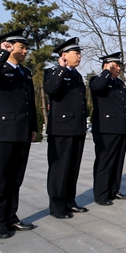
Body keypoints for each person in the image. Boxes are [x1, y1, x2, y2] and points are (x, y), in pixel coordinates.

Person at [0, 29, 37, 239]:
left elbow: (29, 103)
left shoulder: (25, 72)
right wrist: (2, 53)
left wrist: (33, 127)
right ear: (8, 46)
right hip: (2, 133)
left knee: (15, 179)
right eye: (21, 47)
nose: (25, 51)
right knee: (0, 179)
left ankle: (11, 216)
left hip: (22, 132)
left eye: (25, 47)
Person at [44, 37, 88, 219]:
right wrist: (61, 68)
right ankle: (56, 206)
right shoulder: (53, 72)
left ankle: (70, 201)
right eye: (75, 53)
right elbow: (51, 89)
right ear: (64, 55)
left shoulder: (77, 75)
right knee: (59, 169)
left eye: (79, 53)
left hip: (76, 128)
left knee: (72, 168)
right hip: (61, 129)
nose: (79, 56)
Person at [89, 52, 126, 205]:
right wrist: (107, 71)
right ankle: (101, 194)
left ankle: (114, 190)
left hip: (120, 127)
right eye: (116, 65)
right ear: (107, 65)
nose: (118, 68)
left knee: (117, 161)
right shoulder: (98, 80)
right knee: (104, 161)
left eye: (119, 65)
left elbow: (125, 107)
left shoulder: (119, 83)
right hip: (105, 128)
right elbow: (98, 87)